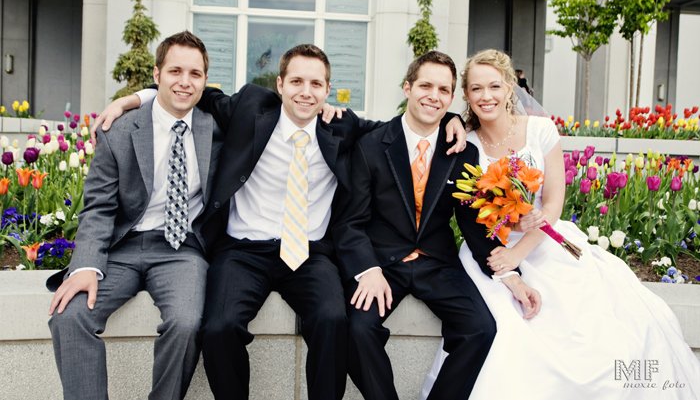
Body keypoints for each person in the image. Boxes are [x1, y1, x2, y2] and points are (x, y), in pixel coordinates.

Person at [96, 43, 469, 400]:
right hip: (243, 251)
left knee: (332, 321)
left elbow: (402, 127)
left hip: (311, 253)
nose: (306, 92)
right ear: (279, 84)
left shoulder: (342, 126)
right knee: (219, 327)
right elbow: (191, 91)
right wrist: (134, 98)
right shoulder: (250, 107)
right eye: (296, 81)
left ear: (327, 90)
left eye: (316, 84)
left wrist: (452, 119)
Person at [421, 49, 700, 400]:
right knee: (507, 330)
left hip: (545, 239)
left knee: (600, 328)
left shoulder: (540, 130)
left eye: (494, 86)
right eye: (476, 89)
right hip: (492, 248)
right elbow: (471, 213)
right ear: (466, 94)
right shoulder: (466, 143)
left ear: (509, 87)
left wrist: (520, 250)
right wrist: (510, 244)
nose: (485, 96)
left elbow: (553, 203)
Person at [333, 50, 542, 400]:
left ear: (451, 98)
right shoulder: (371, 146)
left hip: (436, 262)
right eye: (425, 86)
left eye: (444, 90)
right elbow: (350, 222)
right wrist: (367, 269)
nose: (434, 96)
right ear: (407, 88)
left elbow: (472, 223)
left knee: (480, 329)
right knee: (357, 329)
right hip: (383, 262)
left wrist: (511, 275)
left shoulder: (462, 152)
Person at [46, 31, 222, 400]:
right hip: (122, 248)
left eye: (195, 74)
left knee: (186, 323)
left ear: (205, 80)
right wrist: (85, 266)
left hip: (182, 250)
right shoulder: (121, 130)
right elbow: (99, 206)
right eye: (175, 71)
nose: (185, 82)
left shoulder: (217, 129)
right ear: (157, 75)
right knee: (69, 316)